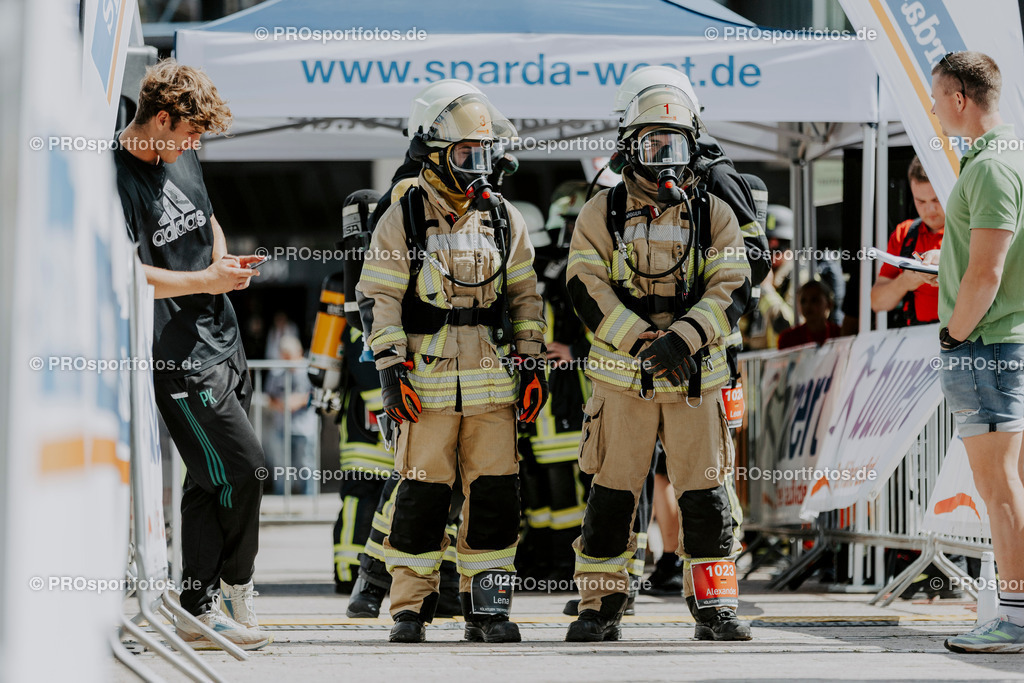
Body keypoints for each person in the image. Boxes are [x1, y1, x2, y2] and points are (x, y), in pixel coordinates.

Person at [564, 67, 752, 642]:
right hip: (624, 383)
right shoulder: (601, 212)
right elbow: (583, 285)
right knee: (612, 497)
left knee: (706, 495)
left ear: (694, 144)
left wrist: (685, 339)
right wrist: (643, 341)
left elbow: (734, 287)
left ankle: (715, 608)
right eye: (653, 143)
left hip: (695, 379)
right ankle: (600, 607)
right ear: (629, 146)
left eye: (676, 143)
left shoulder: (713, 211)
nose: (666, 156)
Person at [356, 79, 547, 644]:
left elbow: (525, 299)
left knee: (492, 499)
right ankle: (409, 610)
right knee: (420, 497)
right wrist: (390, 373)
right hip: (426, 384)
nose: (478, 167)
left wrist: (532, 365)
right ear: (436, 154)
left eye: (485, 153)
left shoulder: (503, 217)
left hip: (492, 388)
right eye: (467, 155)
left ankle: (486, 610)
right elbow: (380, 298)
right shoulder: (404, 214)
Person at [113, 59, 268, 650]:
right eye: (188, 134)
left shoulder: (181, 150)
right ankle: (234, 590)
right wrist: (205, 281)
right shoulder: (114, 175)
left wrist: (222, 269)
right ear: (159, 117)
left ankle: (197, 611)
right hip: (177, 358)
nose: (193, 145)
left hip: (222, 338)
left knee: (208, 483)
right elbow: (128, 274)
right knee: (247, 469)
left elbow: (208, 218)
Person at [929, 51, 1024, 654]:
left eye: (939, 97)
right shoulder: (1005, 157)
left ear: (961, 98)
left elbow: (985, 271)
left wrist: (954, 333)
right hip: (1003, 341)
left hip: (988, 344)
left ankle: (1012, 619)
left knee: (999, 488)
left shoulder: (992, 167)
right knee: (1012, 485)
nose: (936, 108)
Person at [870, 156, 945, 326]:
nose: (930, 209)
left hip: (966, 339)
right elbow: (877, 302)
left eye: (936, 199)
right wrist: (906, 281)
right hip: (917, 339)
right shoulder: (904, 233)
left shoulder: (972, 231)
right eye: (920, 201)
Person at [265, 335, 317, 495]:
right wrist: (281, 404)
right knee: (282, 467)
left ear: (298, 352)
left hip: (304, 427)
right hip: (283, 426)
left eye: (289, 356)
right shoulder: (278, 372)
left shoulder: (309, 369)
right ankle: (281, 499)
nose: (286, 360)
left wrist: (299, 400)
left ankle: (309, 500)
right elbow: (270, 396)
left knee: (306, 464)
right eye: (284, 356)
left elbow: (317, 394)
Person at [777, 281, 841, 350]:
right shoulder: (787, 338)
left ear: (829, 304)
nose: (808, 306)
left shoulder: (840, 334)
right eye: (803, 301)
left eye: (814, 300)